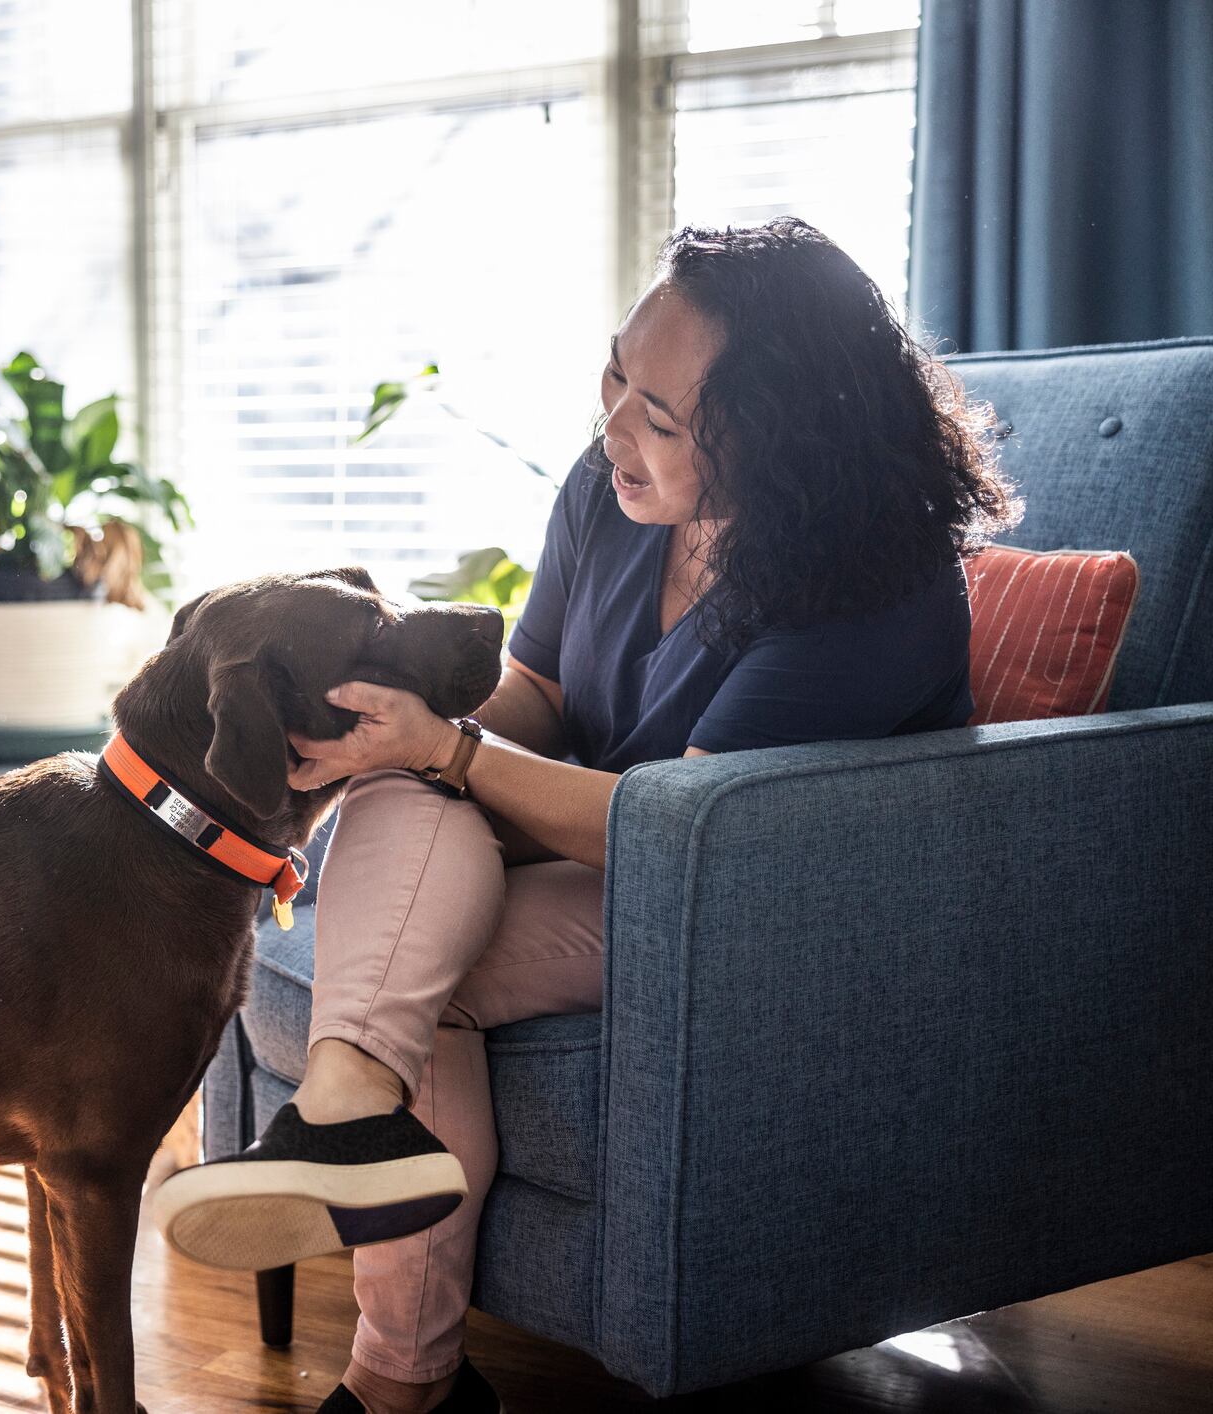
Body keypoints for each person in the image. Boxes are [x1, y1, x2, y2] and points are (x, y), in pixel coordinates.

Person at [153, 217, 1021, 1414]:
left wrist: (447, 747)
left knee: (421, 947)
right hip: (614, 856)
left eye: (659, 417)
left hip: (766, 905)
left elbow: (683, 832)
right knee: (405, 798)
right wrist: (406, 723)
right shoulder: (609, 490)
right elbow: (543, 698)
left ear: (777, 441)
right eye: (617, 373)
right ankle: (352, 1126)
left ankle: (397, 1357)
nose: (612, 425)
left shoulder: (869, 583)